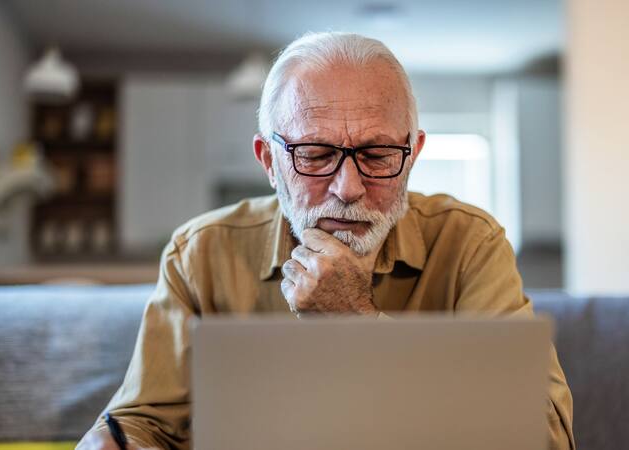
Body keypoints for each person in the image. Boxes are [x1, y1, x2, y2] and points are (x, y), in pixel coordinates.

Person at [77, 32, 575, 450]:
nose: (348, 188)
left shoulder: (470, 244)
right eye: (314, 154)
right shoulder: (201, 254)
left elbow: (546, 436)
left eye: (378, 154)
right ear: (269, 162)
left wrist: (355, 322)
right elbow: (144, 424)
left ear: (414, 153)